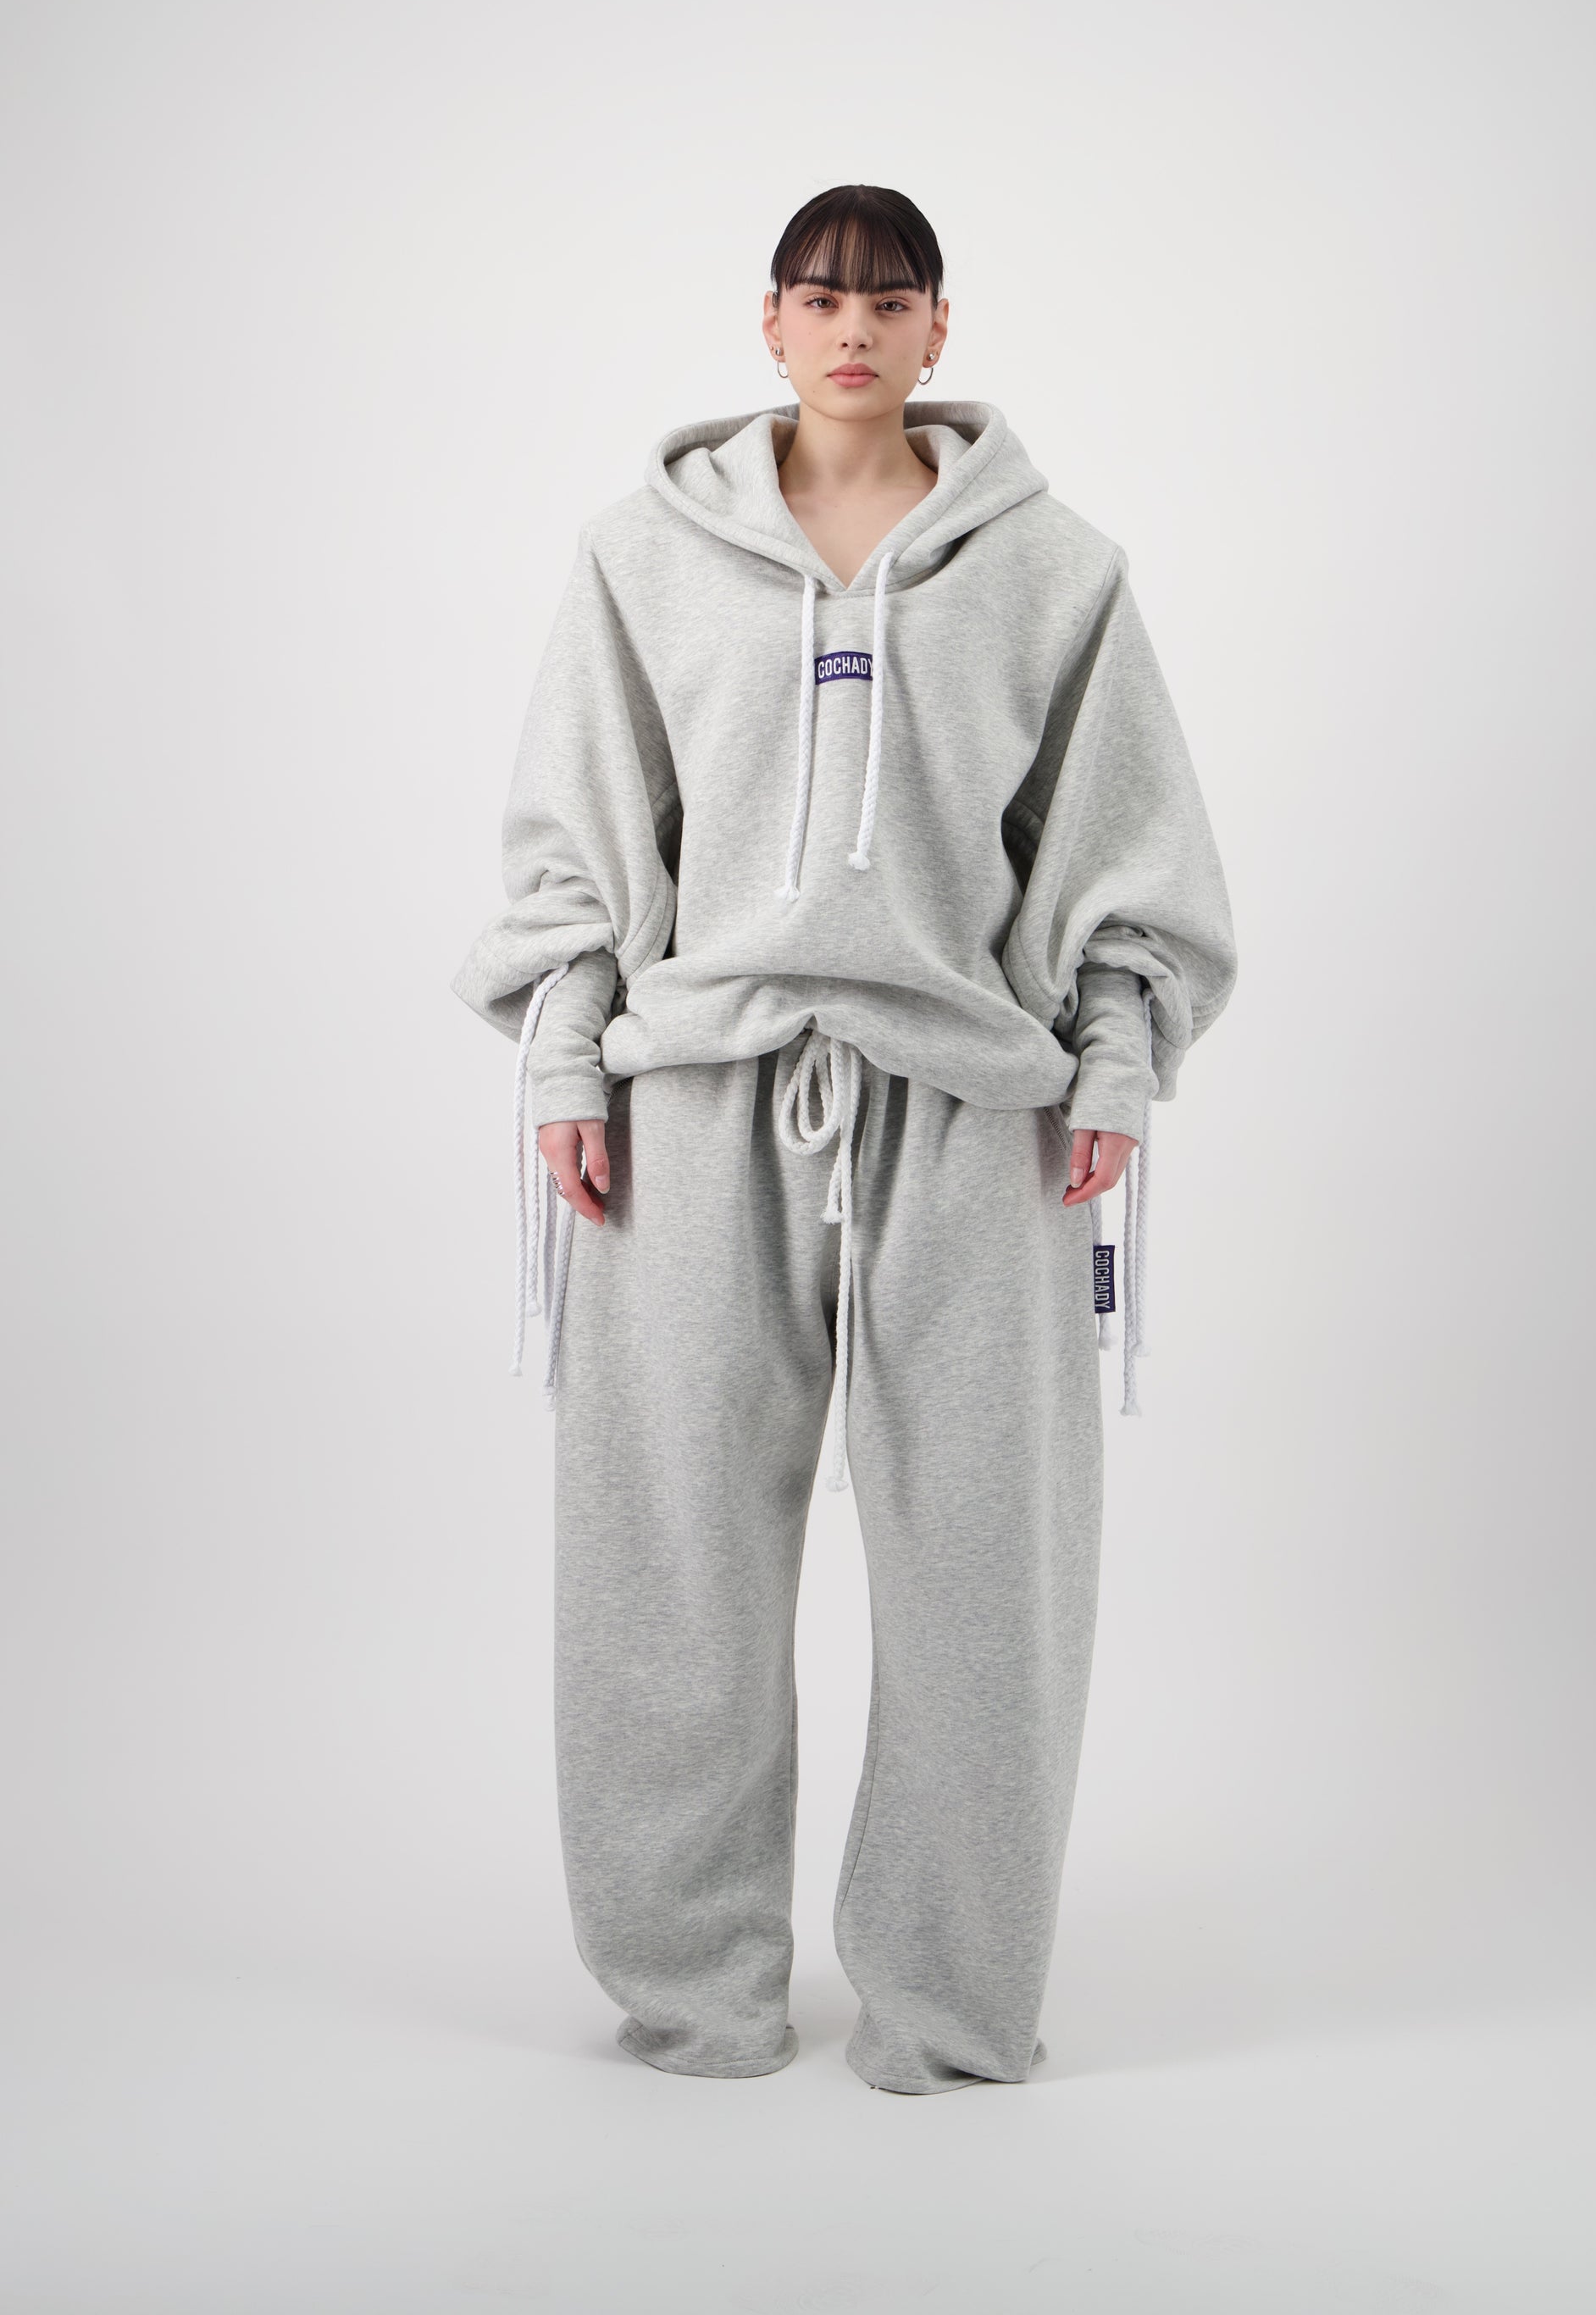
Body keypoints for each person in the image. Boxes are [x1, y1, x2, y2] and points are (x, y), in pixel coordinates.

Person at [452, 184, 1237, 2094]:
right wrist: (564, 1065)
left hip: (970, 1106)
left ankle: (950, 2006)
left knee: (988, 1580)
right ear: (772, 323)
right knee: (666, 1565)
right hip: (696, 1096)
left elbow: (1120, 843)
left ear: (939, 328)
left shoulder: (1057, 572)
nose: (854, 329)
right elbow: (581, 826)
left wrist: (1114, 1061)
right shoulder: (644, 557)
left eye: (889, 302)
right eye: (820, 298)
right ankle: (691, 1991)